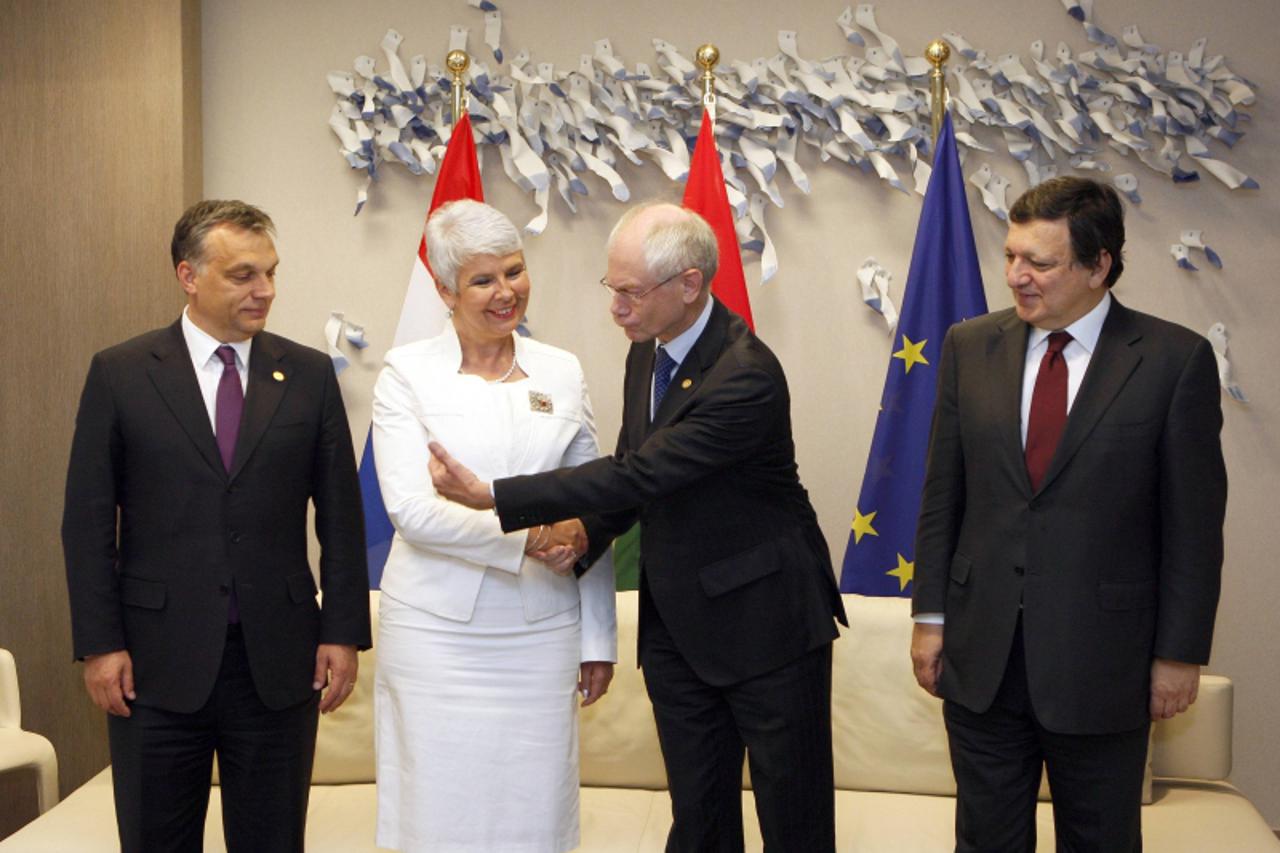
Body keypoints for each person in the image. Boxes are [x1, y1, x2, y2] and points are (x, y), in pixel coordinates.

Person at [429, 201, 847, 852]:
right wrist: (586, 535)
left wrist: (494, 495)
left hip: (769, 629)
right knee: (699, 820)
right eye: (612, 288)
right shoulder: (647, 351)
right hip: (679, 630)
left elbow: (641, 475)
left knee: (795, 825)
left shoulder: (746, 375)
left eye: (630, 292)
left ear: (688, 284)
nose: (616, 308)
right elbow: (631, 461)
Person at [910, 176, 1226, 851]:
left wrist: (1179, 652)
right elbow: (943, 495)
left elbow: (1194, 530)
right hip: (983, 656)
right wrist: (930, 617)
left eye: (1040, 263)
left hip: (1104, 662)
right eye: (1011, 257)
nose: (1017, 277)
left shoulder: (1173, 362)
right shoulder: (970, 347)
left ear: (1098, 266)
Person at [62, 200, 371, 852]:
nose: (266, 291)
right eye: (243, 275)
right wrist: (99, 643)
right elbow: (87, 521)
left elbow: (342, 514)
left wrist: (343, 630)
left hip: (279, 662)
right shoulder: (121, 374)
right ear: (189, 275)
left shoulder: (309, 376)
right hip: (151, 662)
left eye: (271, 272)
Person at [370, 199, 617, 853]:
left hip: (542, 633)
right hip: (434, 636)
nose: (506, 292)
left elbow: (588, 511)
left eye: (514, 271)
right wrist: (534, 535)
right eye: (484, 279)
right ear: (447, 290)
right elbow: (416, 512)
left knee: (534, 811)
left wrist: (598, 636)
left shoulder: (561, 370)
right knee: (436, 811)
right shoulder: (406, 373)